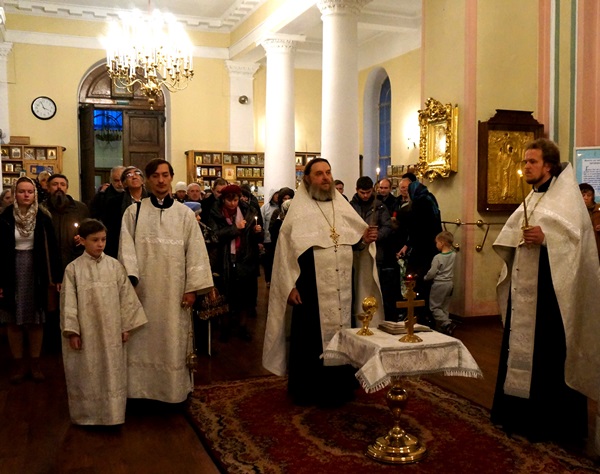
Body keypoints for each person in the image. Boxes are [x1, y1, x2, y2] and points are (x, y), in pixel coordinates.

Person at [491, 138, 600, 445]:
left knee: (549, 356)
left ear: (549, 166)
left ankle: (549, 424)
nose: (526, 166)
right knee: (520, 350)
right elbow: (513, 234)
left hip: (552, 296)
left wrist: (547, 238)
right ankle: (516, 415)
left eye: (532, 162)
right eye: (524, 162)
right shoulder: (532, 198)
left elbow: (578, 244)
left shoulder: (566, 201)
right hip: (525, 289)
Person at [263, 158, 382, 407]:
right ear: (307, 179)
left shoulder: (343, 207)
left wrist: (364, 241)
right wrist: (290, 286)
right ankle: (309, 388)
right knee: (310, 338)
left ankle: (341, 386)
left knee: (344, 333)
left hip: (343, 286)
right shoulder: (297, 211)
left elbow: (354, 243)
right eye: (319, 174)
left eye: (328, 172)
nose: (326, 178)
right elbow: (285, 253)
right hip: (310, 288)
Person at [119, 159, 214, 403]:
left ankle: (173, 393)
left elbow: (195, 252)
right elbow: (126, 249)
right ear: (148, 180)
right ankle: (140, 393)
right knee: (142, 341)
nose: (161, 181)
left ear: (171, 177)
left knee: (173, 340)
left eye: (165, 175)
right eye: (155, 176)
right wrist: (131, 283)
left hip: (175, 292)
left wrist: (192, 288)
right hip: (144, 293)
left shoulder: (184, 214)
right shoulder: (134, 212)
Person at [60, 219, 147, 425]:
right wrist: (73, 332)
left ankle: (113, 415)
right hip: (86, 332)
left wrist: (126, 326)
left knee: (111, 371)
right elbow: (68, 304)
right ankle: (86, 416)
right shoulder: (73, 270)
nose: (100, 244)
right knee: (87, 370)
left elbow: (126, 298)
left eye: (104, 239)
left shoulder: (115, 266)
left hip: (112, 331)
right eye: (95, 240)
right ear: (82, 241)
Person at [0, 177, 62, 383]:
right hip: (11, 270)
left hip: (36, 270)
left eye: (30, 191)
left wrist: (56, 276)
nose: (26, 195)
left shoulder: (43, 217)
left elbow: (53, 249)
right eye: (21, 191)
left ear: (35, 194)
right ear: (15, 193)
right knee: (13, 319)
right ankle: (19, 365)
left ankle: (35, 364)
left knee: (36, 319)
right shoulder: (5, 217)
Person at [207, 184, 263, 341]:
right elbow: (214, 236)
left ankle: (243, 327)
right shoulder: (215, 213)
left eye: (235, 200)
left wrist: (257, 232)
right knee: (225, 295)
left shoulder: (248, 211)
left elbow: (256, 239)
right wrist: (234, 229)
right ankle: (225, 328)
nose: (232, 204)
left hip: (244, 259)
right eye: (229, 200)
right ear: (223, 199)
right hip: (224, 259)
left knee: (244, 296)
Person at [349, 176, 395, 320]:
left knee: (374, 286)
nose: (366, 195)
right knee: (356, 287)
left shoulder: (379, 206)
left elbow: (388, 226)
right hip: (356, 251)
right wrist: (359, 238)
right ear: (357, 190)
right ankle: (358, 317)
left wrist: (377, 236)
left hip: (376, 253)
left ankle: (375, 319)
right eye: (362, 192)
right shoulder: (350, 206)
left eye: (368, 192)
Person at [42, 174, 90, 274]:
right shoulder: (41, 209)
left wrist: (82, 239)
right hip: (49, 263)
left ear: (66, 188)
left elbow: (89, 232)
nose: (59, 187)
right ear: (48, 188)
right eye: (55, 184)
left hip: (74, 259)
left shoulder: (80, 209)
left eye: (63, 184)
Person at [102, 166, 148, 258]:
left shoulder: (152, 199)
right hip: (123, 246)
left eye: (137, 173)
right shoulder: (114, 202)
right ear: (124, 183)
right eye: (129, 175)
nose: (134, 176)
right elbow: (111, 230)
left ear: (143, 181)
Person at [423, 231, 456, 335]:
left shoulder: (438, 258)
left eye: (436, 242)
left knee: (435, 307)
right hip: (449, 284)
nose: (436, 244)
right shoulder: (454, 255)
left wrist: (425, 278)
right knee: (444, 307)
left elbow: (432, 272)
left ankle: (447, 323)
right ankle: (444, 330)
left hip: (439, 284)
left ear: (441, 243)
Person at [260, 190, 280, 287]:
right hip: (268, 238)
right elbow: (261, 222)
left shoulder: (282, 207)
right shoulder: (265, 208)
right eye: (275, 194)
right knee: (268, 260)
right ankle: (269, 279)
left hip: (278, 238)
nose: (277, 196)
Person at [579, 183, 600, 260]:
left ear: (593, 196)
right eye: (583, 195)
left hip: (597, 249)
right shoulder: (574, 211)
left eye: (589, 195)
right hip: (582, 250)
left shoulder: (598, 209)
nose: (586, 198)